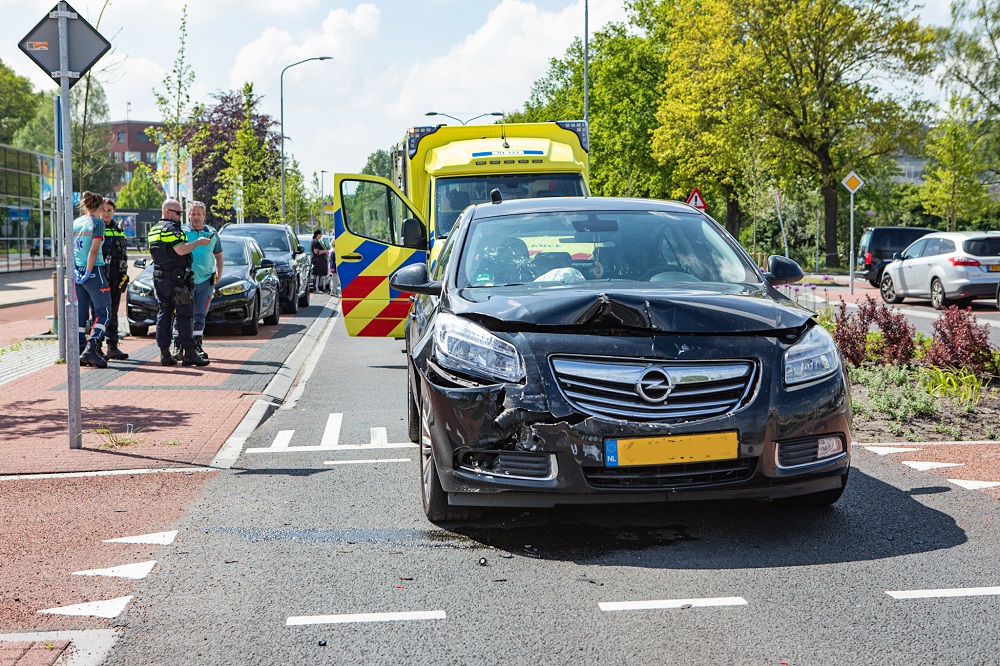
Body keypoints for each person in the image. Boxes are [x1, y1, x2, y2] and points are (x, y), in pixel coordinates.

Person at [147, 199, 212, 367]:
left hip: (160, 278)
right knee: (185, 315)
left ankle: (164, 353)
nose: (180, 217)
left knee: (164, 314)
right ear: (167, 212)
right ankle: (189, 353)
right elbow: (181, 250)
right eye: (178, 213)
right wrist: (198, 242)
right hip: (176, 280)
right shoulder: (170, 229)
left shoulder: (154, 229)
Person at [172, 201, 222, 361]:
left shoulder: (212, 233)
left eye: (198, 214)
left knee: (200, 314)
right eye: (192, 214)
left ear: (204, 215)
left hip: (206, 281)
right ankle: (178, 346)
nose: (195, 217)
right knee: (181, 314)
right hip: (185, 281)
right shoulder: (182, 231)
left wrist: (219, 276)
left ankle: (196, 346)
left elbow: (219, 256)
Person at [72, 192, 111, 368]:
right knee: (105, 312)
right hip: (93, 271)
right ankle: (91, 348)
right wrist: (89, 271)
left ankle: (80, 351)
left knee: (81, 314)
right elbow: (94, 251)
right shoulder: (98, 224)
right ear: (101, 206)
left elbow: (68, 248)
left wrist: (75, 269)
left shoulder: (75, 222)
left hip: (77, 272)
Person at [97, 198, 129, 360]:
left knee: (113, 311)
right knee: (100, 311)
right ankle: (96, 347)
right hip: (101, 275)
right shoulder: (97, 228)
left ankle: (112, 347)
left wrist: (124, 273)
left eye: (109, 210)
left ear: (114, 211)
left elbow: (123, 253)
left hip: (117, 276)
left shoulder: (119, 229)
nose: (106, 213)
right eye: (103, 210)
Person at [310, 229, 330, 293]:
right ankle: (316, 288)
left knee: (318, 275)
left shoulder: (314, 241)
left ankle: (317, 288)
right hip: (317, 261)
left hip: (316, 260)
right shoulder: (316, 242)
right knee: (317, 275)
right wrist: (325, 251)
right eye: (320, 234)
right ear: (317, 234)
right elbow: (316, 252)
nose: (321, 235)